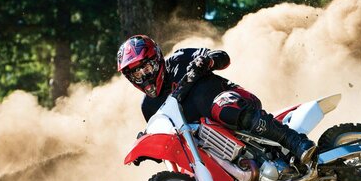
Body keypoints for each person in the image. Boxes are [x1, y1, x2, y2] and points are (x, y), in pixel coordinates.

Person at [117, 34, 316, 164]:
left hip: (234, 101)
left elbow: (223, 56)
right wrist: (146, 145)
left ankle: (295, 141)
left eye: (146, 67)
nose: (144, 75)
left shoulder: (180, 59)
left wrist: (207, 61)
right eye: (136, 73)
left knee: (222, 105)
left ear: (157, 58)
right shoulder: (148, 107)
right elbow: (165, 141)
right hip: (210, 143)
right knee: (192, 160)